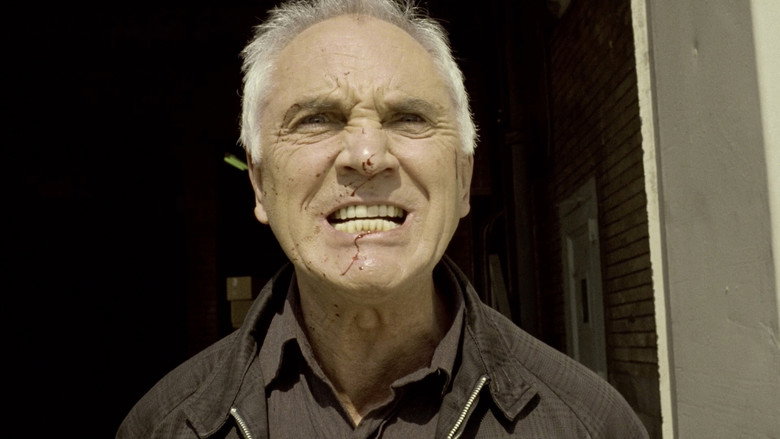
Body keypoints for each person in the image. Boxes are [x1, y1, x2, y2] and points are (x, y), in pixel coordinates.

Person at [117, 0, 649, 437]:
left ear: (464, 178)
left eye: (409, 118)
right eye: (317, 119)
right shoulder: (164, 427)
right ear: (259, 183)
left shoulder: (589, 424)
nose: (367, 155)